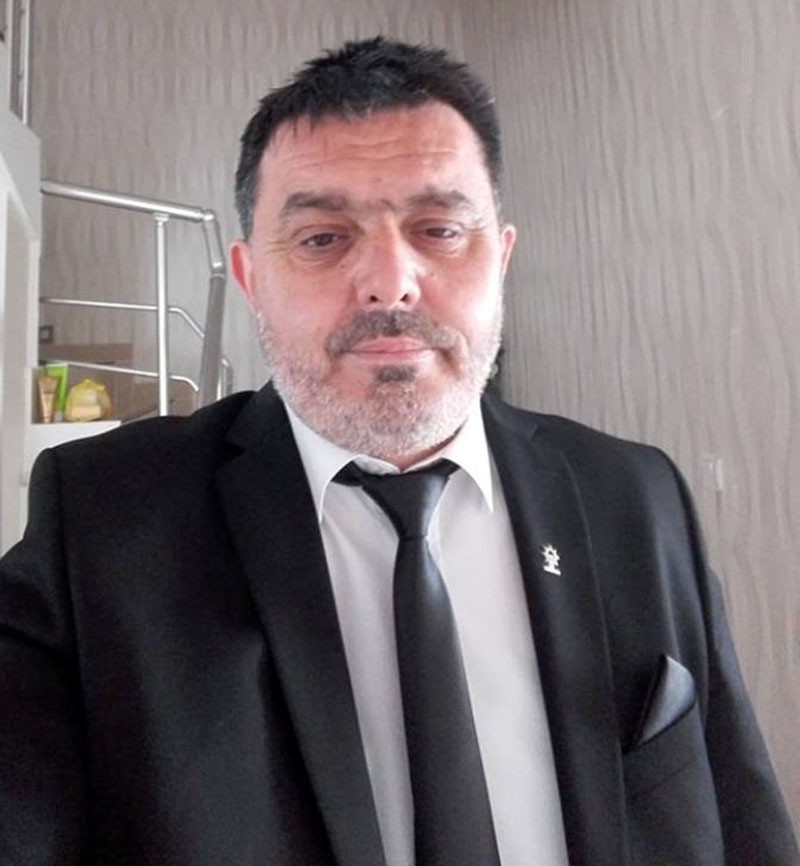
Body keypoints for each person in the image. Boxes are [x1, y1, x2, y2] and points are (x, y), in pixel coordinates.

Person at [0, 36, 797, 866]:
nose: (390, 281)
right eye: (322, 238)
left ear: (501, 259)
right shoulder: (104, 518)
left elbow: (744, 821)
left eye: (439, 229)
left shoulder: (636, 495)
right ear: (250, 278)